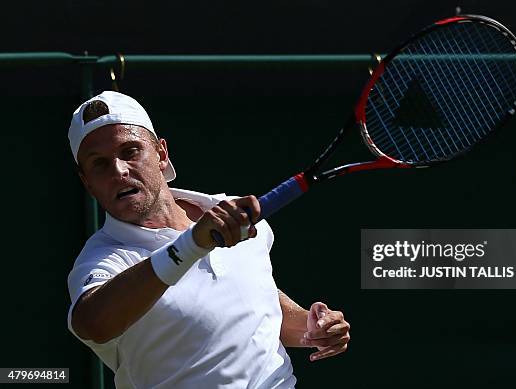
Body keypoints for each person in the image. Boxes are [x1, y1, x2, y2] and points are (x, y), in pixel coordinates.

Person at [66, 91, 350, 388]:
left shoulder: (236, 217)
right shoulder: (102, 260)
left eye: (130, 151)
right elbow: (93, 324)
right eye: (99, 164)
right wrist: (192, 244)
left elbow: (254, 304)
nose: (119, 171)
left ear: (161, 154)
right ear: (87, 181)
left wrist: (310, 325)